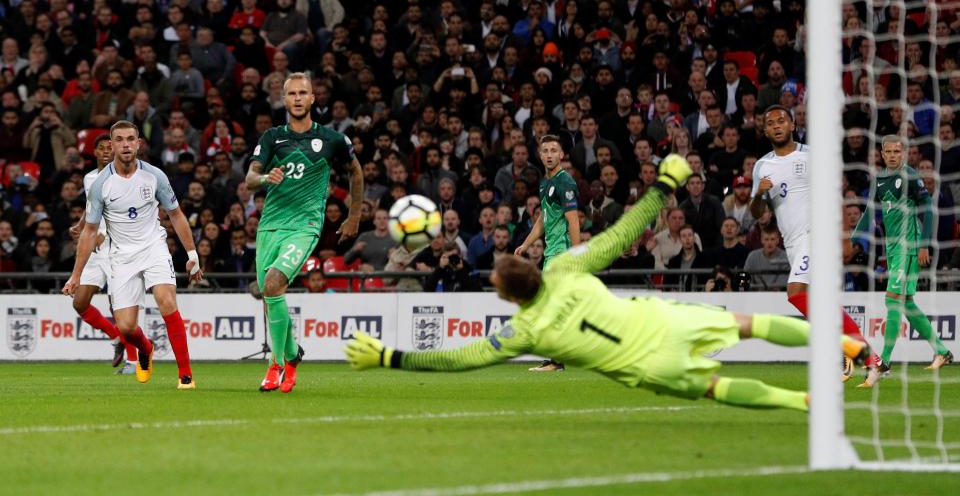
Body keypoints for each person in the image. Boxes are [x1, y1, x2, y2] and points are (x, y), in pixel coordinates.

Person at [345, 155, 872, 412]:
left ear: (506, 298)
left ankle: (801, 403)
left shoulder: (525, 332)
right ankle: (838, 340)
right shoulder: (564, 268)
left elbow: (457, 359)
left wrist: (390, 358)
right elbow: (622, 231)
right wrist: (664, 184)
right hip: (661, 317)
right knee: (752, 323)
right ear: (533, 269)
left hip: (647, 366)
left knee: (718, 387)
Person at [245, 72, 363, 393]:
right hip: (270, 225)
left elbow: (356, 171)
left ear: (313, 99)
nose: (297, 98)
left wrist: (354, 216)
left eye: (303, 93)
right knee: (271, 299)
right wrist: (266, 176)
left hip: (305, 225)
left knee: (272, 284)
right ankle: (294, 355)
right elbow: (249, 179)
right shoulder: (272, 138)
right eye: (291, 94)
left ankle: (276, 365)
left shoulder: (332, 139)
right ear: (284, 100)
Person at [63, 121, 202, 389]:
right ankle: (145, 348)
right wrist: (76, 275)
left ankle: (185, 374)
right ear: (112, 145)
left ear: (139, 143)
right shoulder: (101, 184)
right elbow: (89, 232)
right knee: (126, 328)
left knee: (167, 302)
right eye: (119, 140)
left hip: (153, 248)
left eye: (130, 139)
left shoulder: (155, 176)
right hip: (121, 256)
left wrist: (192, 253)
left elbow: (175, 214)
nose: (125, 144)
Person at [750, 105, 881, 380]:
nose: (776, 125)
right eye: (770, 122)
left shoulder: (812, 156)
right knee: (821, 303)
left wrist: (844, 237)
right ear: (764, 131)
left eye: (781, 120)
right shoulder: (762, 166)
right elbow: (757, 213)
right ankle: (870, 358)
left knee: (796, 291)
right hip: (793, 242)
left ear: (792, 124)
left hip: (816, 234)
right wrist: (760, 195)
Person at [851, 136, 953, 386]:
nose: (894, 155)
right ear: (882, 154)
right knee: (906, 303)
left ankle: (883, 363)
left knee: (892, 299)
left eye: (898, 151)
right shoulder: (879, 180)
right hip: (894, 248)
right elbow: (870, 213)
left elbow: (928, 208)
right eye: (889, 151)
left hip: (909, 246)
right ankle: (942, 351)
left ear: (904, 153)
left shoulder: (908, 176)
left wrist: (924, 245)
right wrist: (851, 239)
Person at [68, 134, 137, 374]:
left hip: (116, 247)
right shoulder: (89, 178)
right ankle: (116, 336)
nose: (107, 151)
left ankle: (133, 361)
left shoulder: (123, 176)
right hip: (94, 250)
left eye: (111, 147)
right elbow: (93, 207)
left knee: (117, 305)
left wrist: (104, 234)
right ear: (95, 152)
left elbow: (123, 211)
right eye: (102, 148)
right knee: (80, 302)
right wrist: (81, 224)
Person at [514, 134, 580, 372]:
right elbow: (543, 219)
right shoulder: (545, 183)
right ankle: (558, 357)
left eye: (554, 150)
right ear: (540, 155)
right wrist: (526, 243)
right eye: (546, 151)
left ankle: (558, 359)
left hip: (562, 253)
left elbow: (573, 221)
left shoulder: (566, 183)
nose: (550, 154)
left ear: (561, 154)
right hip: (552, 252)